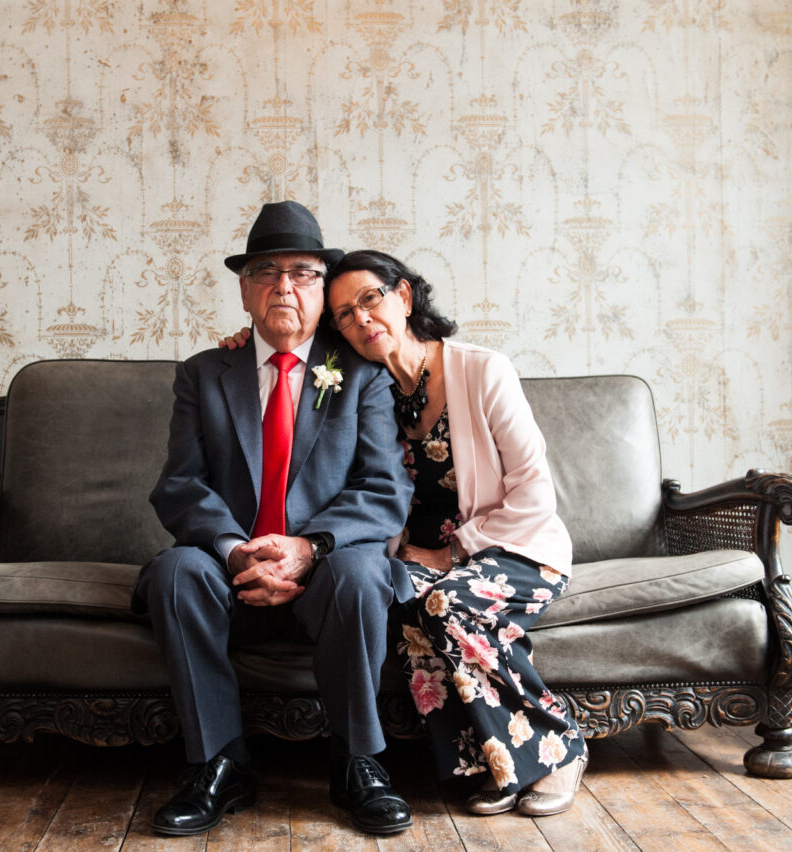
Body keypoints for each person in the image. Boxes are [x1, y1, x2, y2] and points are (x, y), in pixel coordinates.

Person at [225, 248, 588, 815]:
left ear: (404, 297)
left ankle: (560, 747)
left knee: (442, 603)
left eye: (370, 299)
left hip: (516, 547)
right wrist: (246, 348)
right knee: (391, 599)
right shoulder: (365, 386)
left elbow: (535, 494)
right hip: (420, 557)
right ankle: (502, 760)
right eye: (343, 313)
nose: (361, 319)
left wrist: (454, 553)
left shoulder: (482, 370)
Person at [134, 202, 416, 836]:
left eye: (302, 273)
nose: (283, 287)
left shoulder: (362, 376)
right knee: (176, 572)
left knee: (363, 571)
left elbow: (384, 489)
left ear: (322, 289)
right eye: (266, 271)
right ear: (243, 289)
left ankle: (357, 762)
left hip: (327, 575)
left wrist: (308, 548)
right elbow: (180, 486)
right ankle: (221, 764)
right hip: (229, 576)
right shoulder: (203, 375)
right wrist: (235, 549)